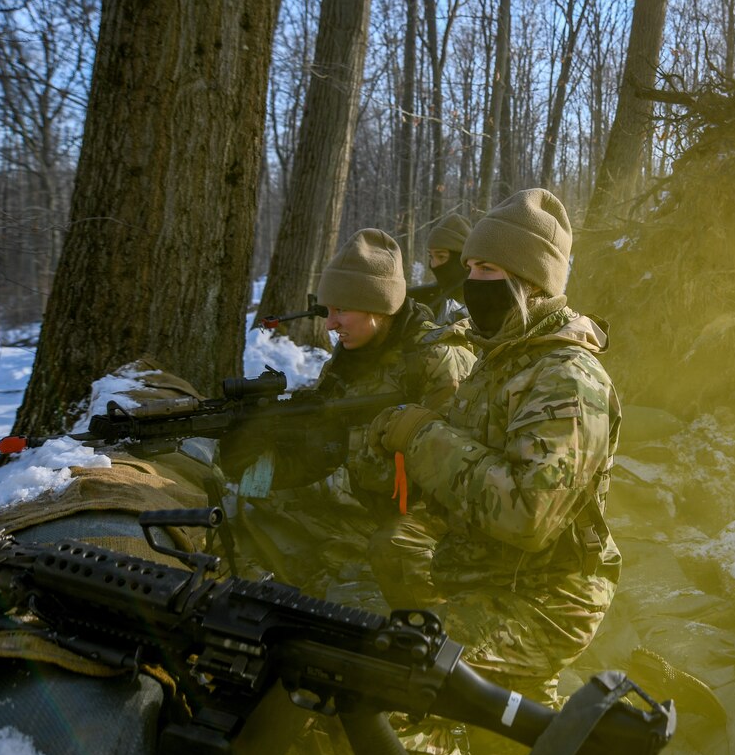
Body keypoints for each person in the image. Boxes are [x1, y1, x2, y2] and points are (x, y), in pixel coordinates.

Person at [366, 189, 619, 709]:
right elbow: (469, 458)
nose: (471, 283)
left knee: (391, 678)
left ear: (530, 280)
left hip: (546, 597)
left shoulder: (566, 378)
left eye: (486, 269)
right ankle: (514, 712)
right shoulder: (503, 355)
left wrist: (422, 438)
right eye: (469, 267)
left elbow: (529, 515)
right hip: (483, 568)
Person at [228, 228, 473, 598]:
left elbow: (455, 482)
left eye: (341, 310)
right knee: (252, 500)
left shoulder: (436, 361)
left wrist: (346, 451)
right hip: (365, 504)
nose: (329, 325)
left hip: (420, 526)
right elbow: (319, 450)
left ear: (378, 306)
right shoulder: (348, 360)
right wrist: (260, 462)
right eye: (328, 311)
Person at [421, 212, 471, 322]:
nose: (433, 265)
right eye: (431, 256)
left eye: (441, 256)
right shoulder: (437, 292)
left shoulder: (474, 300)